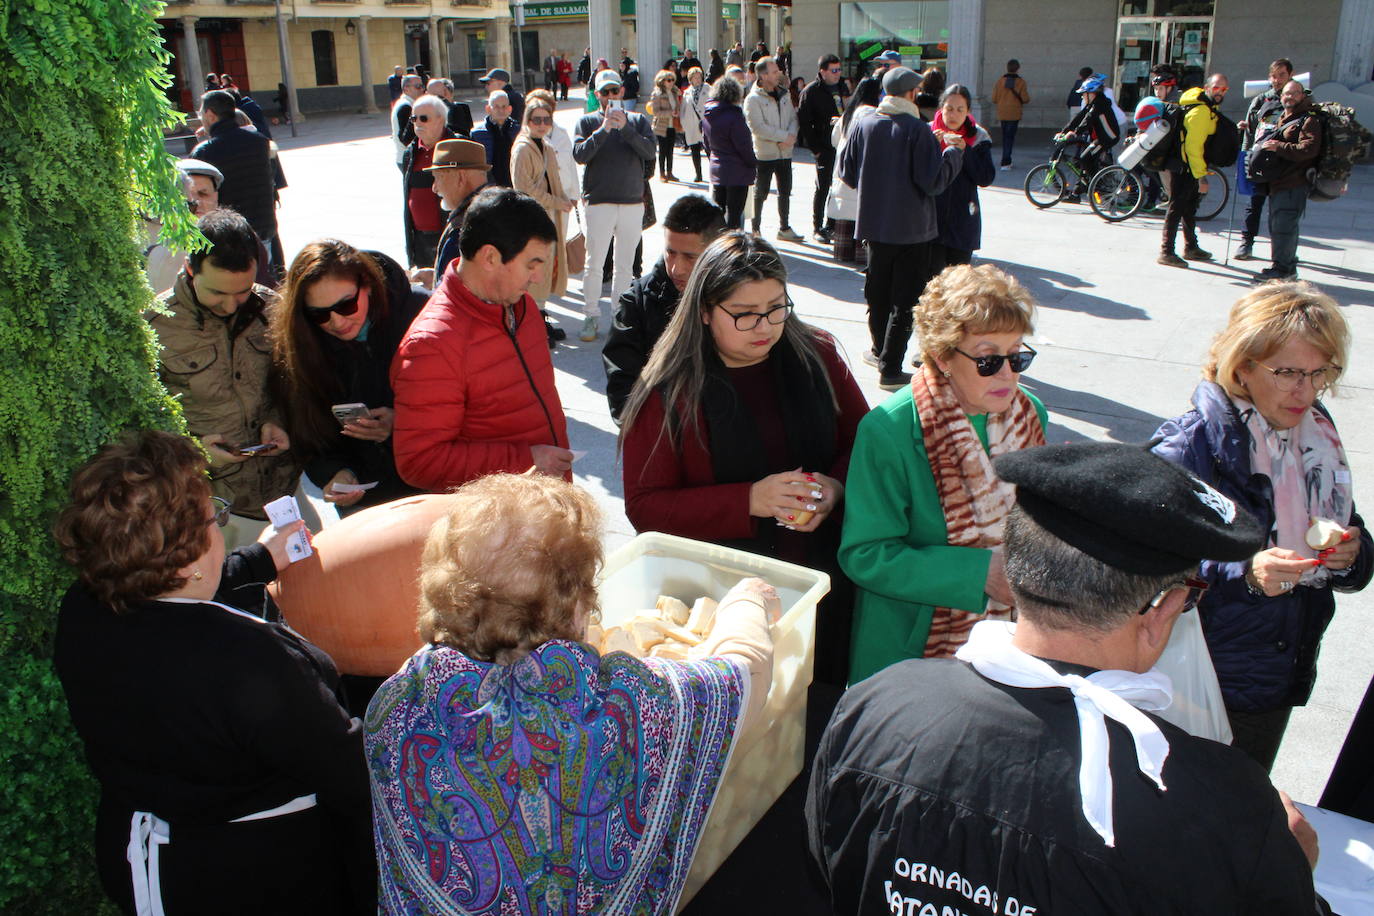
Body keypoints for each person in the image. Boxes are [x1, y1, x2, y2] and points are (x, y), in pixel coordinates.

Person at [809, 441, 1331, 915]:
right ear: (1161, 611)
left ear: (1012, 571)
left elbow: (828, 863)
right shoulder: (1223, 804)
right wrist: (1292, 875)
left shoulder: (878, 704)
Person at [365, 472, 776, 914]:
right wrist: (749, 600)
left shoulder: (395, 709)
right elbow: (743, 677)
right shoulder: (627, 704)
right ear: (579, 604)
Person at [53, 430, 374, 915]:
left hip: (142, 858)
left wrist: (262, 559)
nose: (219, 527)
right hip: (254, 874)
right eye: (214, 518)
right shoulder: (248, 660)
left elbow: (169, 606)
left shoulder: (84, 609)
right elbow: (348, 775)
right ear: (187, 551)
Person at [619, 231, 869, 686]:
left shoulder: (818, 354)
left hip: (822, 580)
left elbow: (865, 442)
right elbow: (645, 505)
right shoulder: (669, 390)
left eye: (777, 307)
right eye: (745, 314)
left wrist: (833, 489)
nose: (765, 327)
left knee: (820, 701)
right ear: (704, 311)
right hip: (720, 599)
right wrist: (749, 500)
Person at [1152, 281, 1370, 771]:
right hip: (1199, 677)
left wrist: (1354, 555)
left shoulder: (1318, 435)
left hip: (1274, 674)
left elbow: (1347, 521)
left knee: (1239, 821)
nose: (1307, 390)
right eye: (1289, 372)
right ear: (1243, 366)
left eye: (1320, 372)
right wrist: (1246, 574)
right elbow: (1144, 564)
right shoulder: (1192, 445)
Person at [840, 264, 1044, 681]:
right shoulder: (890, 430)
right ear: (942, 356)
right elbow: (864, 555)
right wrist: (979, 574)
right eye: (988, 360)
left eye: (1018, 355)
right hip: (913, 649)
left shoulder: (1030, 414)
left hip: (1009, 641)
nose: (1009, 374)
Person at [390, 187, 572, 491]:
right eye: (532, 264)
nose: (538, 278)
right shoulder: (432, 345)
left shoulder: (521, 305)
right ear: (490, 257)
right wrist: (525, 460)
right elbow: (419, 462)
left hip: (544, 500)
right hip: (500, 522)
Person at [147, 209, 295, 537]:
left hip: (283, 493)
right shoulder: (154, 326)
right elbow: (139, 424)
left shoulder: (271, 307)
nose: (230, 306)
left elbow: (292, 384)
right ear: (189, 268)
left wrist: (278, 421)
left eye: (241, 292)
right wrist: (196, 452)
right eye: (217, 293)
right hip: (209, 508)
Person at [269, 240, 428, 513]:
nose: (337, 322)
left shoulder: (420, 312)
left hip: (432, 488)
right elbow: (307, 429)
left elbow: (469, 403)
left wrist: (403, 424)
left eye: (346, 306)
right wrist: (335, 473)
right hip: (366, 501)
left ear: (366, 284)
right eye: (319, 314)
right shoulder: (302, 343)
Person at [839, 66, 962, 390]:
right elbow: (934, 182)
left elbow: (847, 173)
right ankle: (891, 369)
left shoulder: (864, 123)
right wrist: (952, 153)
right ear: (911, 94)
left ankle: (880, 353)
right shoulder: (916, 129)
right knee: (905, 301)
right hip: (912, 230)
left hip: (874, 225)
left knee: (878, 294)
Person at [603, 194, 726, 422]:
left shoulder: (743, 296)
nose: (676, 269)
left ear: (717, 251)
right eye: (670, 253)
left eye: (690, 257)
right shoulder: (636, 302)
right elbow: (623, 393)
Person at [573, 69, 656, 342]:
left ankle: (620, 317)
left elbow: (649, 152)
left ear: (622, 91)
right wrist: (604, 129)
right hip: (599, 202)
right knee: (594, 263)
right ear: (597, 95)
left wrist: (626, 129)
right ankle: (590, 314)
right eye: (604, 92)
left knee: (625, 266)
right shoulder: (586, 122)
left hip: (632, 202)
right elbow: (580, 155)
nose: (610, 96)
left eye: (614, 91)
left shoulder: (638, 121)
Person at [192, 90, 278, 265]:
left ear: (209, 115)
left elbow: (198, 195)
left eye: (201, 113)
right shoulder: (260, 142)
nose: (200, 118)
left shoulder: (204, 151)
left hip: (229, 235)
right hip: (263, 228)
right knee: (260, 284)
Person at [1252, 80, 1322, 283]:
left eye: (1293, 93)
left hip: (1294, 184)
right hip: (1278, 183)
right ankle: (1284, 266)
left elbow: (1309, 150)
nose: (1288, 97)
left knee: (1284, 226)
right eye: (1285, 94)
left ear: (1302, 95)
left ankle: (1284, 270)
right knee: (1278, 226)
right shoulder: (1285, 116)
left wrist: (1279, 147)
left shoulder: (1308, 120)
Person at [510, 94, 573, 309]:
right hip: (531, 220)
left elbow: (554, 179)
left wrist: (564, 199)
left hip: (549, 217)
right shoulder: (522, 148)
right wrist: (557, 202)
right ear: (527, 121)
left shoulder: (546, 146)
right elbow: (524, 189)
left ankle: (541, 314)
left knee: (547, 267)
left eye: (547, 120)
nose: (542, 124)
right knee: (533, 269)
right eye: (537, 120)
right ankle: (532, 316)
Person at [1159, 73, 1228, 268]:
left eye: (1224, 89)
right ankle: (1166, 252)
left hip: (1184, 164)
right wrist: (1202, 177)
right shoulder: (1201, 112)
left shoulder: (1205, 106)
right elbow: (1193, 147)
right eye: (1216, 88)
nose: (1220, 92)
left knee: (1188, 208)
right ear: (1207, 88)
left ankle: (1191, 247)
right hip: (1184, 166)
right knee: (1176, 208)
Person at [930, 84, 995, 271]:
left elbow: (985, 178)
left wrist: (965, 150)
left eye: (960, 110)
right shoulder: (927, 133)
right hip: (930, 220)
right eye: (949, 109)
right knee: (930, 281)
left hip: (963, 218)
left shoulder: (979, 137)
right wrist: (932, 147)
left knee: (958, 282)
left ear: (968, 112)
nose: (953, 115)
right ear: (941, 109)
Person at [1237, 59, 1294, 261]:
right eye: (1274, 75)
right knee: (1254, 204)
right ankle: (1246, 243)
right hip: (1260, 160)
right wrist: (1245, 157)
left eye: (1282, 75)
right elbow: (1250, 132)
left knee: (1280, 210)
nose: (1277, 80)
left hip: (1285, 163)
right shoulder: (1261, 100)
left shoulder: (1299, 100)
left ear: (1290, 76)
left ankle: (1282, 253)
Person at [744, 56, 803, 242]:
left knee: (785, 191)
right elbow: (757, 127)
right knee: (760, 193)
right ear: (763, 75)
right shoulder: (753, 99)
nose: (779, 74)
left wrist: (790, 137)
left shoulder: (784, 94)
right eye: (775, 71)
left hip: (785, 153)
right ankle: (755, 230)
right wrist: (783, 137)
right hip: (765, 154)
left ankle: (784, 227)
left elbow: (794, 118)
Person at [824, 76, 881, 263]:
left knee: (844, 215)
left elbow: (834, 139)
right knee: (859, 216)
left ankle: (842, 253)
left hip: (842, 171)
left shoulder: (849, 113)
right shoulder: (872, 115)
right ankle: (860, 255)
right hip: (860, 170)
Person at [797, 54, 849, 243]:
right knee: (823, 187)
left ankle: (832, 224)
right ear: (823, 71)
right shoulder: (811, 92)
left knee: (839, 187)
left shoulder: (841, 86)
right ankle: (817, 226)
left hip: (841, 144)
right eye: (834, 70)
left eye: (839, 70)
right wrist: (815, 149)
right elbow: (804, 123)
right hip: (824, 147)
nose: (837, 74)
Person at [400, 94, 454, 271]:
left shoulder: (457, 146)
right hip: (420, 240)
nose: (418, 123)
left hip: (450, 235)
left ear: (440, 119)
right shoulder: (411, 152)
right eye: (414, 118)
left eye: (424, 118)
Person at [426, 138, 492, 280]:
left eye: (438, 177)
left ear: (461, 177)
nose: (434, 188)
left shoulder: (462, 229)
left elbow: (449, 295)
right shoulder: (498, 209)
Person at [701, 74, 757, 230]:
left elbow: (706, 143)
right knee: (734, 217)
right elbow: (744, 145)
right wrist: (753, 163)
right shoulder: (735, 116)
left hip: (717, 168)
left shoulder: (708, 115)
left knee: (719, 215)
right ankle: (732, 248)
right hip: (737, 172)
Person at [1056, 72, 1119, 203]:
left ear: (1092, 93)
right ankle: (1077, 193)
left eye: (1084, 93)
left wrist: (1075, 133)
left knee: (1086, 158)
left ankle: (1098, 187)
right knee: (1083, 162)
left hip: (1108, 138)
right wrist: (1065, 131)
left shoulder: (1099, 105)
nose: (1083, 96)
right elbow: (1079, 117)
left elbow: (1087, 121)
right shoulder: (1093, 104)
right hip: (1100, 138)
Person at [470, 90, 519, 188]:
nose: (501, 110)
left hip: (515, 184)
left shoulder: (519, 131)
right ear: (488, 109)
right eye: (496, 107)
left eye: (504, 107)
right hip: (488, 187)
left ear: (510, 109)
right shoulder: (477, 133)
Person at [990, 58, 1030, 169]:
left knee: (1005, 137)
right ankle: (1006, 161)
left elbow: (994, 98)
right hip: (1014, 113)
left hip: (1002, 113)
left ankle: (1006, 160)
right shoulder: (1021, 82)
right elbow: (1025, 98)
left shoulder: (1000, 81)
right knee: (1010, 138)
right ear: (1017, 69)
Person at [648, 68, 683, 181]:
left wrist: (677, 111)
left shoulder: (674, 92)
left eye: (673, 80)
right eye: (668, 80)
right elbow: (656, 112)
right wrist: (670, 113)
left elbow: (677, 105)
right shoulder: (657, 93)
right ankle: (662, 173)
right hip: (662, 125)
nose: (671, 82)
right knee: (663, 150)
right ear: (662, 81)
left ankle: (670, 172)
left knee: (670, 150)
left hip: (673, 124)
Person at [679, 66, 709, 183]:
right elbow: (683, 109)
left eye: (699, 77)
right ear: (690, 79)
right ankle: (698, 174)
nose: (697, 80)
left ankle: (714, 172)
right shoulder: (687, 92)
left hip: (705, 123)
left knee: (709, 149)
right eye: (694, 78)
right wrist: (683, 122)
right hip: (691, 124)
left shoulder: (709, 89)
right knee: (694, 150)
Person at [389, 74, 424, 169]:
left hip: (407, 157)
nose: (422, 89)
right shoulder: (406, 106)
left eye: (422, 86)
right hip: (408, 158)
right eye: (418, 86)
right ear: (406, 89)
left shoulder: (409, 104)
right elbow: (405, 138)